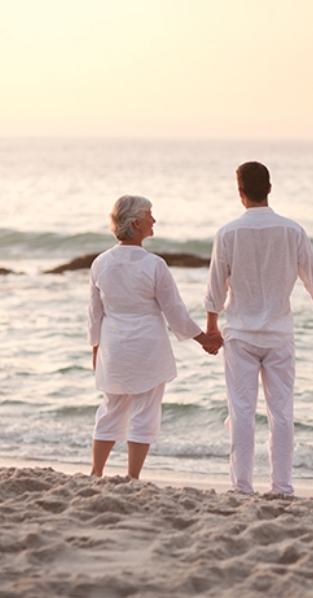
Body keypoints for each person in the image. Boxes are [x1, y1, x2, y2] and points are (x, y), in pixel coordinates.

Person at [204, 161, 313, 495]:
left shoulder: (227, 233)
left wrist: (211, 328)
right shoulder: (291, 230)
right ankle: (281, 486)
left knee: (241, 412)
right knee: (281, 412)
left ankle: (241, 485)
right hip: (279, 334)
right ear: (269, 189)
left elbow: (215, 288)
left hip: (240, 334)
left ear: (240, 193)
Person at [88, 195, 220, 480]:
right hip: (147, 348)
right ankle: (132, 478)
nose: (154, 220)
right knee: (145, 412)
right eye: (150, 215)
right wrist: (205, 339)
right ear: (136, 223)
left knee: (111, 408)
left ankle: (96, 472)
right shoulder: (154, 265)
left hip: (114, 347)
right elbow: (175, 312)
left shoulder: (100, 263)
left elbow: (94, 313)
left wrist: (96, 348)